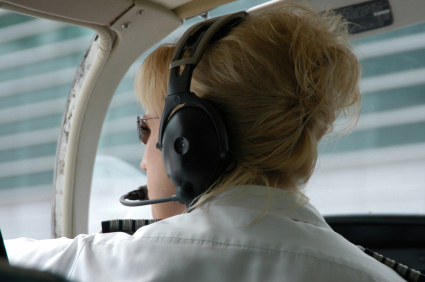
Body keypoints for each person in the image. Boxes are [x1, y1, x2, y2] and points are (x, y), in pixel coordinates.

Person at [4, 2, 406, 282]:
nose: (144, 161)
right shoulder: (376, 274)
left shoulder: (114, 265)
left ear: (186, 140)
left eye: (147, 129)